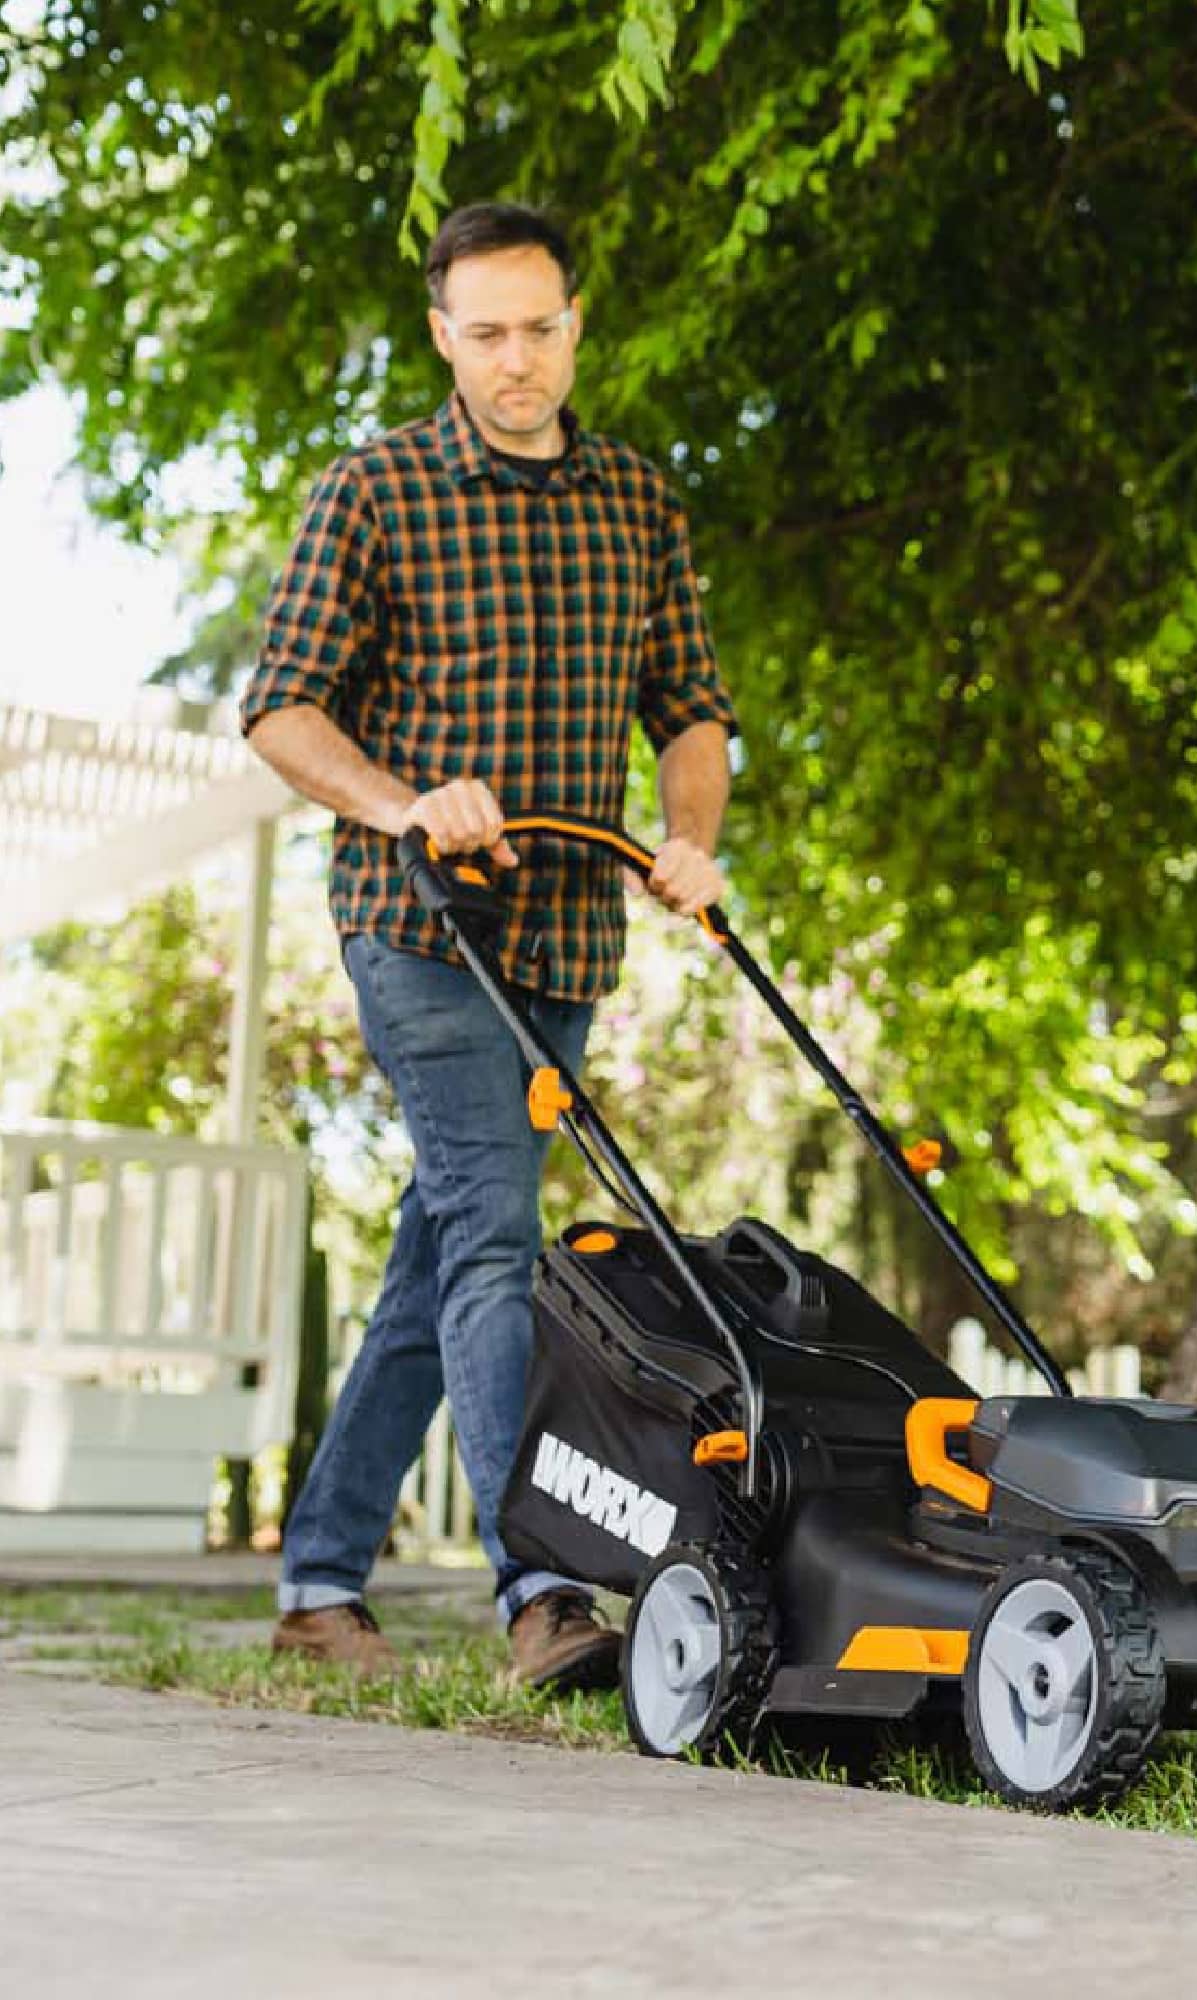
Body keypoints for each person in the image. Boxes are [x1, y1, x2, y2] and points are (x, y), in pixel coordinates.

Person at [241, 201, 735, 1690]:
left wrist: (693, 832)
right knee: (493, 1228)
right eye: (487, 333)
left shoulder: (640, 504)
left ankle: (322, 1581)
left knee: (445, 1246)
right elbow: (280, 706)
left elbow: (692, 709)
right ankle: (543, 1591)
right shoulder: (374, 493)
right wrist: (406, 801)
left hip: (569, 936)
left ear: (578, 323)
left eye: (541, 328)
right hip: (419, 926)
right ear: (444, 336)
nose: (517, 360)